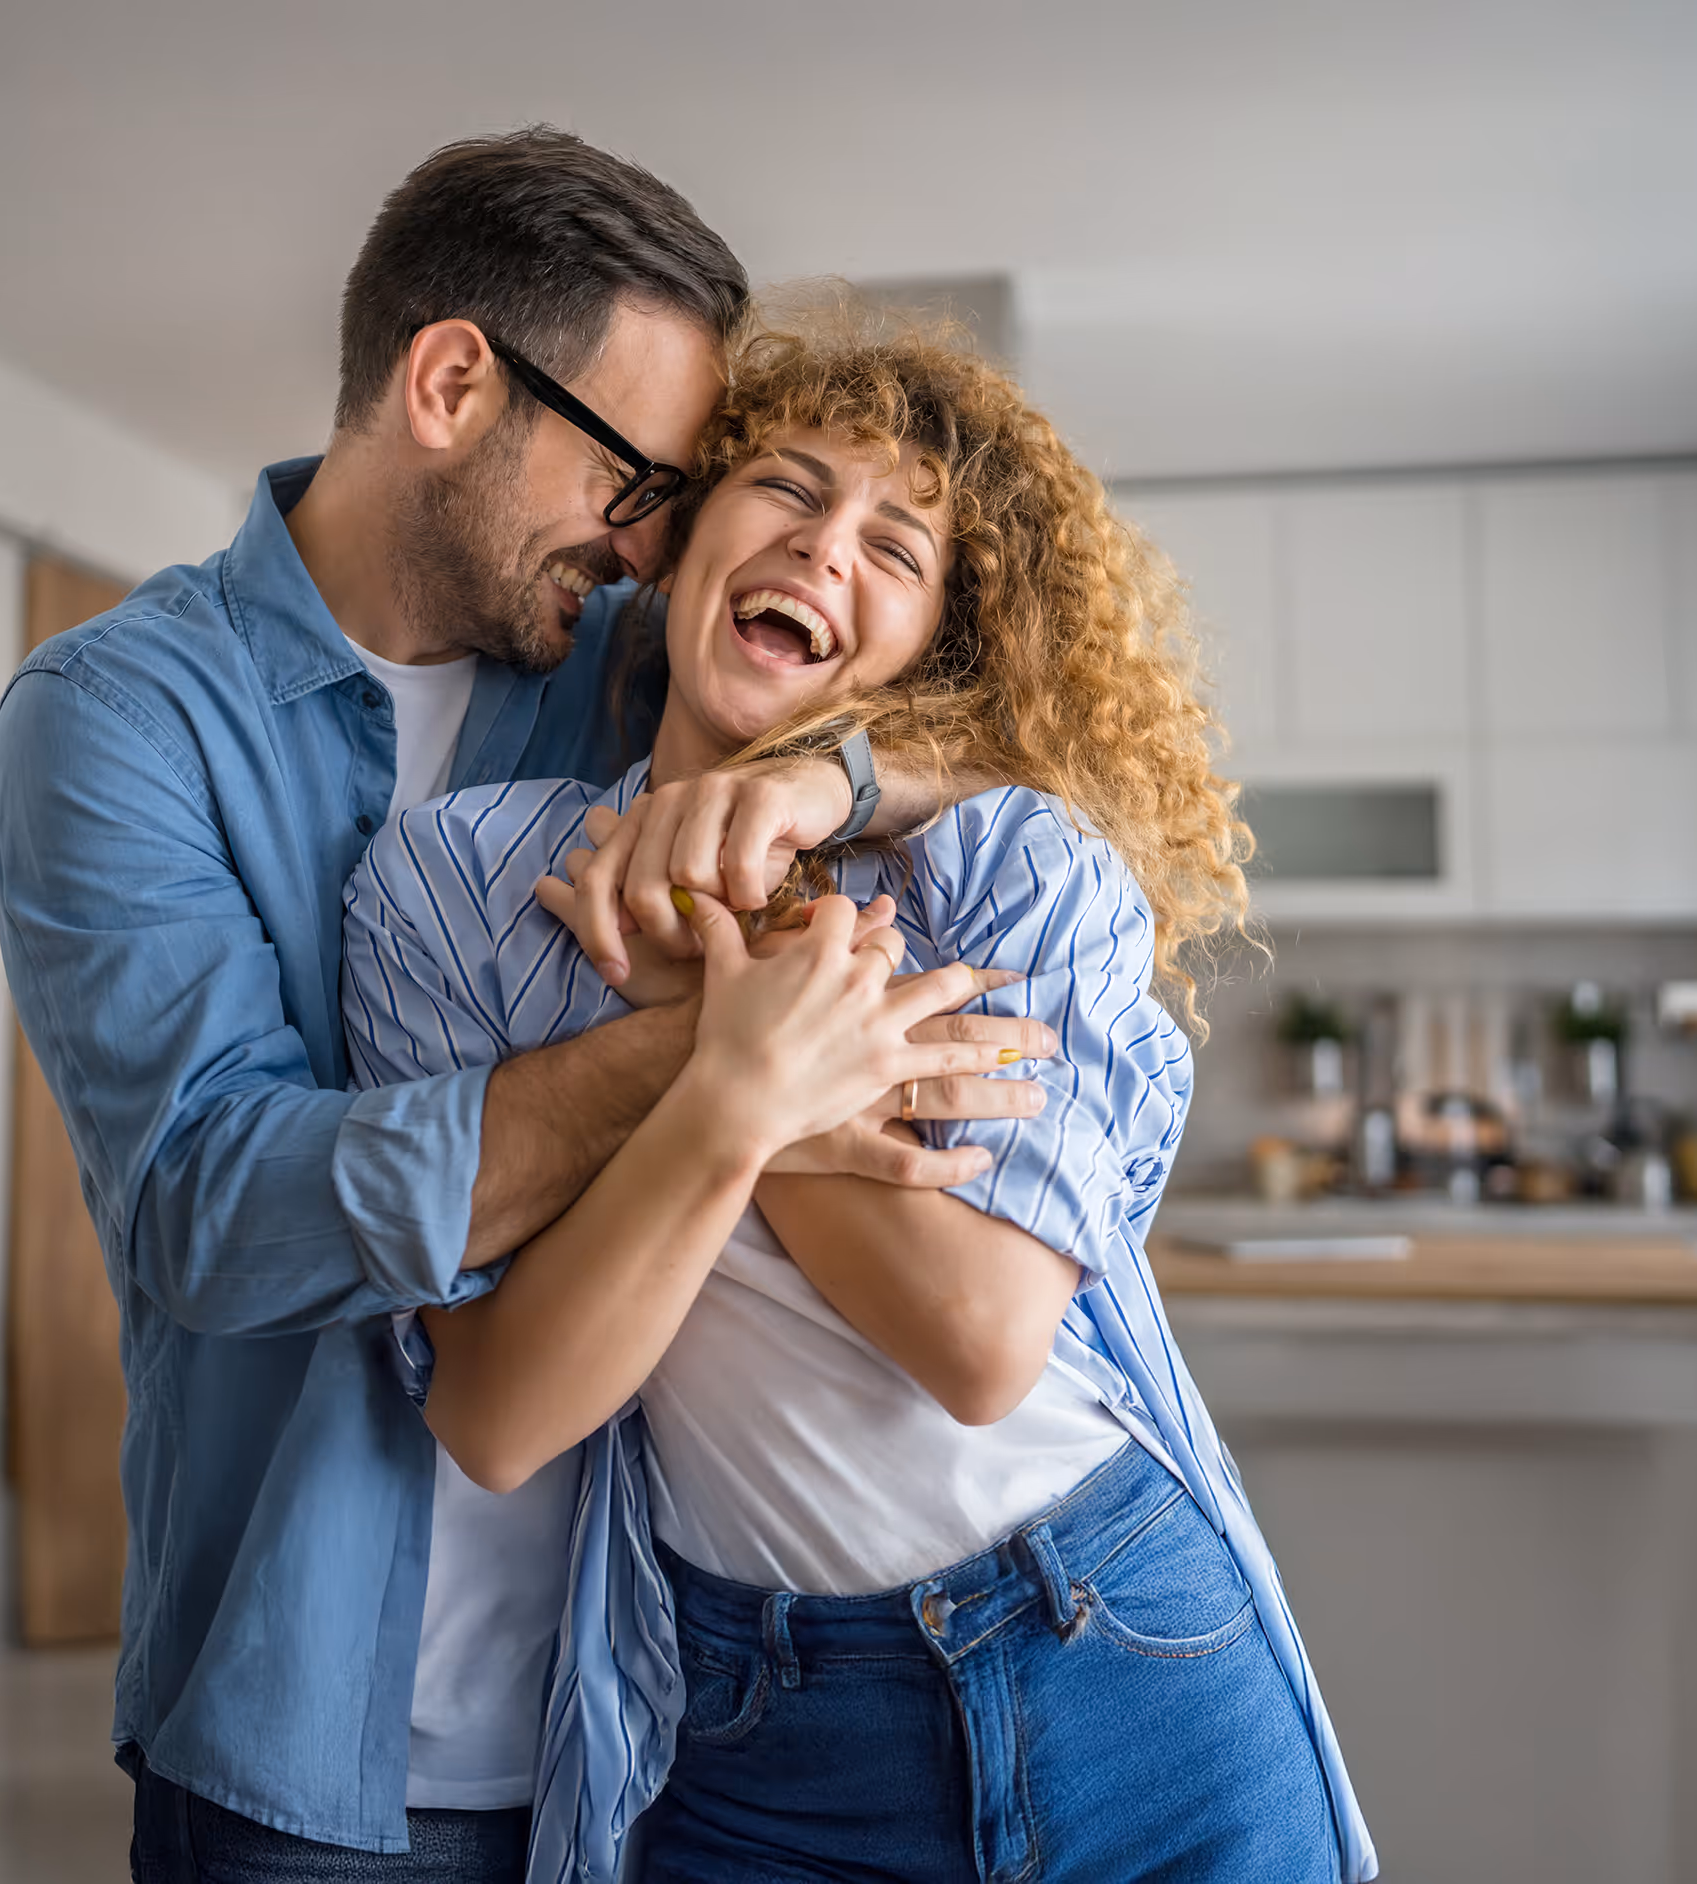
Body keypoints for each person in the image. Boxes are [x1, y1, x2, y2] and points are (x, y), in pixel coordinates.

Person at [0, 133, 1040, 1884]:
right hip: (311, 1754)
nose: (651, 541)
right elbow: (213, 1208)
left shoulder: (616, 658)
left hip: (644, 1729)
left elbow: (1002, 719)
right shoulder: (119, 718)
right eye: (634, 478)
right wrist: (717, 1057)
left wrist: (832, 780)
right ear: (453, 383)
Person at [345, 321, 1378, 1882]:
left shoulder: (1013, 866)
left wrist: (722, 998)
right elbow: (498, 1420)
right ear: (682, 535)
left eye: (896, 546)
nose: (826, 549)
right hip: (760, 1734)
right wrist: (740, 1081)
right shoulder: (458, 890)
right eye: (786, 487)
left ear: (935, 643)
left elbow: (978, 1343)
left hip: (1120, 1653)